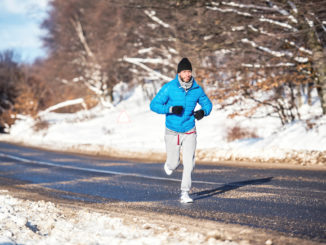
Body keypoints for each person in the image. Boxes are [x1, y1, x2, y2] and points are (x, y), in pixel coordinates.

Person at [150, 57, 212, 203]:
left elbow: (208, 104)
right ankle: (170, 164)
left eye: (189, 71)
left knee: (189, 163)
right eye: (184, 71)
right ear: (179, 73)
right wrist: (170, 109)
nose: (187, 74)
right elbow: (154, 105)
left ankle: (184, 193)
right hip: (172, 130)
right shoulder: (169, 87)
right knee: (173, 163)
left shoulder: (196, 89)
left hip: (189, 130)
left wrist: (203, 112)